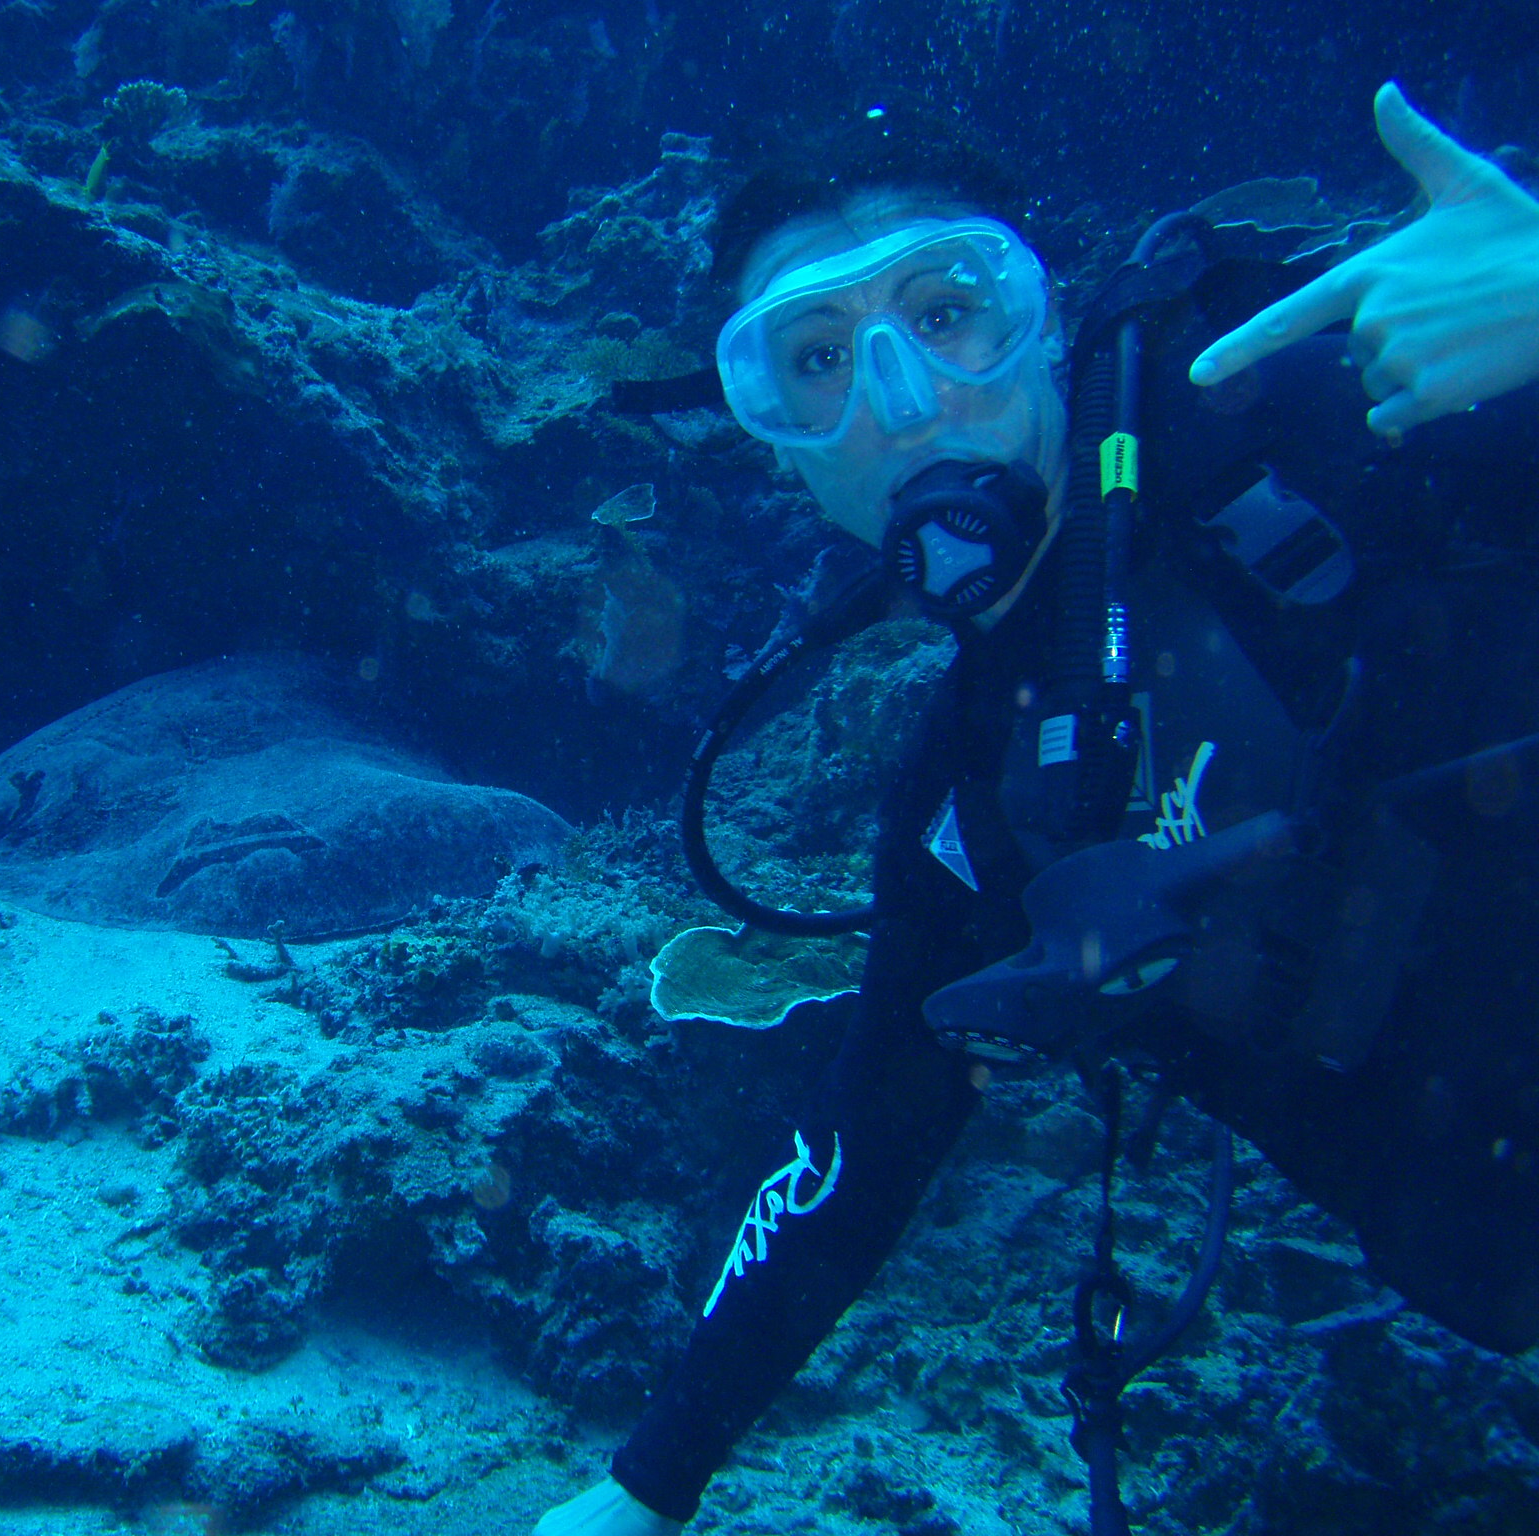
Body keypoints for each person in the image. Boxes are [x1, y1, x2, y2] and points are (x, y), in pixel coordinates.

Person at [534, 81, 1539, 1535]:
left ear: (1046, 315)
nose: (903, 404)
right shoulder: (985, 799)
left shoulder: (1337, 420)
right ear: (774, 439)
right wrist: (646, 1485)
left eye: (950, 314)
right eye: (815, 362)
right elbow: (858, 1150)